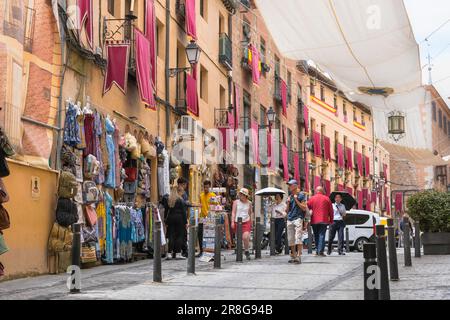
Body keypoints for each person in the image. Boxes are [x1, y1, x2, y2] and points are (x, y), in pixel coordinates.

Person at [166, 177, 189, 260]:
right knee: (179, 236)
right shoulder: (180, 200)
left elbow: (167, 210)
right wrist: (186, 222)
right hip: (179, 219)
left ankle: (169, 253)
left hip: (171, 219)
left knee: (171, 236)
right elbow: (183, 211)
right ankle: (178, 253)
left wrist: (166, 220)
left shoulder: (170, 199)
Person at [285, 180, 307, 264]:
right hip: (290, 219)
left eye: (290, 185)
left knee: (298, 238)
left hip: (298, 218)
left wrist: (296, 199)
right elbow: (287, 211)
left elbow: (304, 208)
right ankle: (293, 256)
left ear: (295, 185)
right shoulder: (290, 196)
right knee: (291, 239)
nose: (289, 187)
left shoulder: (301, 195)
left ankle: (298, 256)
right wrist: (287, 203)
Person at [308, 186, 334, 257]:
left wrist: (306, 219)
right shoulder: (327, 198)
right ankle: (320, 251)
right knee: (321, 235)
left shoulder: (312, 198)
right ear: (322, 191)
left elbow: (307, 207)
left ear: (316, 191)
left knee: (316, 235)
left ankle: (317, 251)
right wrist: (331, 220)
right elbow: (331, 211)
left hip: (314, 220)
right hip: (323, 220)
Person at [231, 188, 253, 260]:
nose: (241, 196)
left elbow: (250, 213)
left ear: (246, 196)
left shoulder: (249, 203)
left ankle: (246, 250)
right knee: (239, 238)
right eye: (240, 194)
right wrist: (232, 221)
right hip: (237, 221)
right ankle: (239, 252)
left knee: (245, 237)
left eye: (243, 194)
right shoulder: (236, 202)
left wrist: (251, 222)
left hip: (246, 221)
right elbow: (233, 212)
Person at [198, 180, 216, 257]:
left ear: (209, 187)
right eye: (205, 187)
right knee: (200, 234)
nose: (206, 189)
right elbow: (200, 205)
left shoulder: (212, 195)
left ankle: (208, 251)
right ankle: (201, 251)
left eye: (207, 187)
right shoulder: (201, 195)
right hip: (202, 217)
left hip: (209, 217)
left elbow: (216, 205)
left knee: (208, 236)